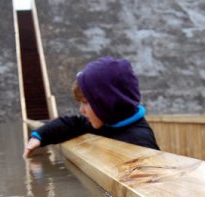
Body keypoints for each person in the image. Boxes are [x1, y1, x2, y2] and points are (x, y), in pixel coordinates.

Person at [23, 56, 160, 158]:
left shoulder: (140, 141)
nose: (81, 110)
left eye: (86, 102)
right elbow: (70, 124)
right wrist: (39, 136)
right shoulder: (107, 123)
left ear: (107, 103)